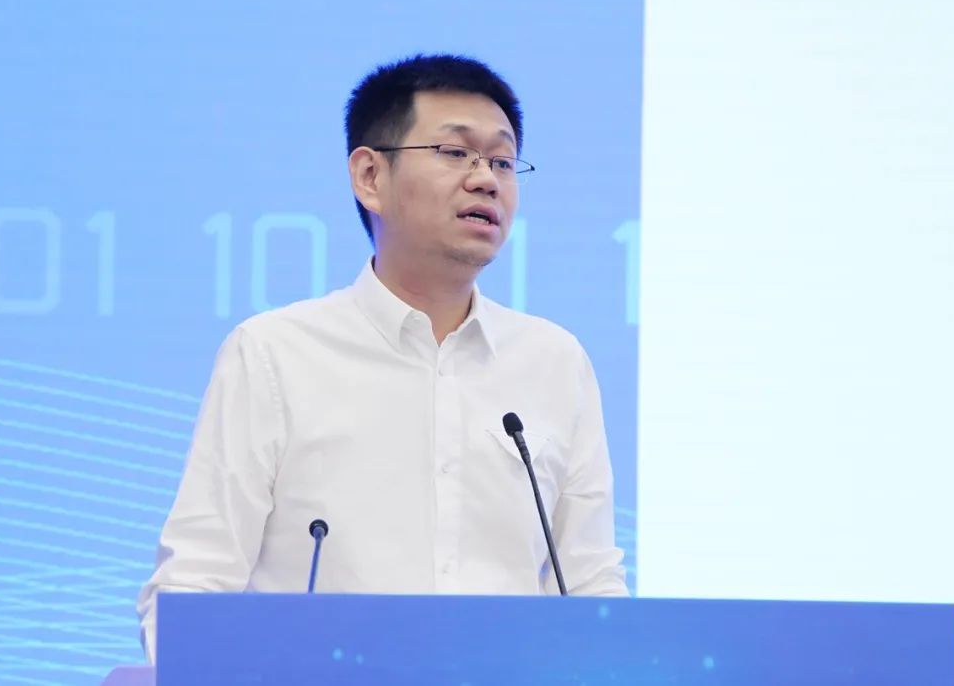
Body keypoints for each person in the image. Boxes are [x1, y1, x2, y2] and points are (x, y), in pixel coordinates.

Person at [136, 53, 628, 663]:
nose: (486, 180)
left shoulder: (554, 362)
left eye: (503, 161)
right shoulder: (274, 355)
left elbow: (590, 586)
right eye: (456, 152)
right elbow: (193, 584)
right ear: (370, 176)